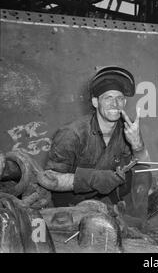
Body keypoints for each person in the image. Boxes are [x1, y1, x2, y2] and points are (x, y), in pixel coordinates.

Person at [41, 66, 152, 226]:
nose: (115, 103)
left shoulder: (128, 128)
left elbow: (144, 165)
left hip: (107, 201)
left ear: (125, 102)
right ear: (95, 102)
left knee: (142, 174)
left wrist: (137, 145)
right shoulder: (71, 133)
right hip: (71, 205)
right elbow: (49, 179)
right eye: (108, 98)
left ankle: (138, 225)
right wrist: (93, 179)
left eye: (119, 98)